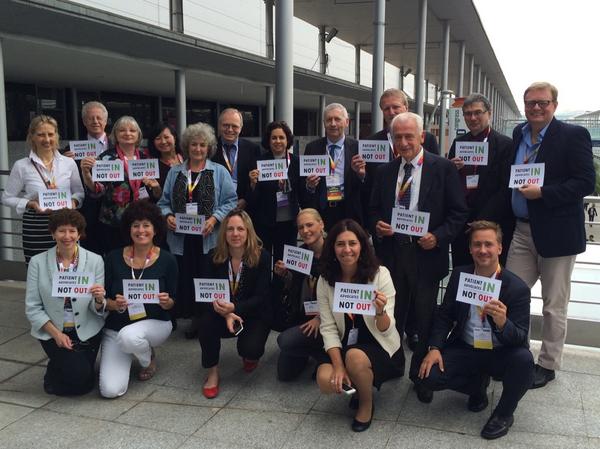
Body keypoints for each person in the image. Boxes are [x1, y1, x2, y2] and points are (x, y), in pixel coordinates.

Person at [369, 112, 468, 404]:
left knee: (425, 318)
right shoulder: (385, 171)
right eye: (397, 137)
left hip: (426, 255)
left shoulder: (443, 168)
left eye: (408, 136)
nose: (403, 142)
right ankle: (391, 364)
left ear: (421, 137)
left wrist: (438, 236)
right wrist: (377, 225)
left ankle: (421, 375)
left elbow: (459, 212)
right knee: (391, 315)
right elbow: (373, 208)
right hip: (393, 254)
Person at [506, 82, 595, 388]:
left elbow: (585, 182)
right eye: (531, 103)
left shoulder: (573, 135)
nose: (536, 108)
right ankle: (514, 353)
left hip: (557, 234)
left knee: (553, 304)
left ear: (554, 105)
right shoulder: (519, 133)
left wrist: (543, 193)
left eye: (542, 103)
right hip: (520, 229)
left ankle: (547, 364)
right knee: (509, 292)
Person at [419, 221, 534, 440]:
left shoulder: (517, 288)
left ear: (500, 248)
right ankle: (476, 387)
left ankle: (503, 414)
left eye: (488, 244)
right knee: (427, 377)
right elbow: (445, 315)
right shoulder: (460, 275)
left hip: (500, 350)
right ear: (470, 248)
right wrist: (434, 348)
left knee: (524, 361)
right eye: (477, 245)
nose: (483, 250)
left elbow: (520, 337)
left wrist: (502, 323)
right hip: (466, 345)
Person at [315, 219, 402, 432]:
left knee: (354, 357)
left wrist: (380, 311)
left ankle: (366, 402)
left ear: (362, 246)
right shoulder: (325, 280)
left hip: (379, 345)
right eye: (340, 244)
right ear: (332, 248)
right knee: (325, 378)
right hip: (346, 344)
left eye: (352, 243)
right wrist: (337, 366)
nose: (347, 250)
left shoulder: (380, 275)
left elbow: (387, 328)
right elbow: (327, 327)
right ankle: (357, 380)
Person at [158, 123, 237, 338]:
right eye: (194, 144)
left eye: (203, 145)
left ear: (208, 147)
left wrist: (214, 219)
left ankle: (205, 320)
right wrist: (168, 216)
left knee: (206, 276)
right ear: (186, 146)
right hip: (181, 238)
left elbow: (231, 201)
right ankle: (190, 316)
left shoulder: (219, 171)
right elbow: (163, 202)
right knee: (186, 276)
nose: (198, 149)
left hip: (208, 237)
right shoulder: (175, 172)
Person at [99, 200, 177, 398]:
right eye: (135, 225)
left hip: (155, 323)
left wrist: (168, 302)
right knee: (110, 390)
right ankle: (134, 349)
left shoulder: (167, 259)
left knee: (130, 337)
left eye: (146, 225)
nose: (141, 230)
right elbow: (103, 299)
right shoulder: (113, 258)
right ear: (128, 229)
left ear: (155, 229)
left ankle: (147, 357)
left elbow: (175, 301)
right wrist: (113, 304)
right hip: (117, 326)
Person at [25, 209, 106, 395]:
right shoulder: (37, 262)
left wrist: (100, 298)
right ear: (53, 233)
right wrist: (57, 335)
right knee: (80, 380)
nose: (67, 236)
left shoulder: (95, 260)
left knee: (85, 383)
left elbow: (97, 308)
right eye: (61, 231)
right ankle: (54, 373)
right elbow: (32, 307)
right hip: (55, 330)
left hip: (87, 329)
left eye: (72, 231)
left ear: (79, 233)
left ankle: (59, 366)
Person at [198, 209, 271, 399]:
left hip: (252, 314)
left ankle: (249, 355)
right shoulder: (212, 256)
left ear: (248, 231)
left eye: (240, 229)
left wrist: (236, 308)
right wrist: (227, 313)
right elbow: (205, 294)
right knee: (205, 322)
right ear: (224, 233)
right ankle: (213, 372)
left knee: (251, 349)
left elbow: (262, 298)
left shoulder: (262, 257)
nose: (235, 234)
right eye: (230, 229)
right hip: (221, 312)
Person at [2, 115, 84, 263]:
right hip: (36, 226)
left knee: (67, 269)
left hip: (65, 224)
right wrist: (30, 204)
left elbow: (79, 193)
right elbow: (6, 197)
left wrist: (73, 202)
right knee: (38, 270)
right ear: (32, 137)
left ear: (56, 135)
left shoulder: (68, 163)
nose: (47, 140)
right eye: (41, 135)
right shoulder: (22, 165)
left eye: (50, 134)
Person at [448, 93, 514, 267]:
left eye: (478, 112)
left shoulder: (505, 145)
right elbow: (450, 183)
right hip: (462, 222)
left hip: (491, 224)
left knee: (490, 272)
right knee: (462, 270)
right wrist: (451, 169)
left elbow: (505, 188)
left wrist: (481, 220)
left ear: (489, 113)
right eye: (468, 114)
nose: (473, 118)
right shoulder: (459, 142)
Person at [81, 116, 162, 254]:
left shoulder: (146, 158)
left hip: (141, 221)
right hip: (114, 223)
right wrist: (87, 175)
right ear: (115, 135)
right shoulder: (106, 158)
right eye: (122, 130)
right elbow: (97, 190)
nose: (128, 133)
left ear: (138, 135)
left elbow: (157, 196)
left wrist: (156, 188)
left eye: (132, 130)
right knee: (117, 259)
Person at [274, 208, 326, 381]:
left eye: (310, 225)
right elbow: (293, 287)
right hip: (304, 317)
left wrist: (321, 317)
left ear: (321, 224)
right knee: (285, 374)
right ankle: (314, 350)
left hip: (330, 321)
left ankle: (326, 356)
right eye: (300, 227)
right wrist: (285, 275)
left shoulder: (336, 253)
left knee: (287, 341)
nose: (305, 231)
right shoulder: (300, 253)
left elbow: (344, 292)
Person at [301, 103, 367, 230]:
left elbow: (368, 185)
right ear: (323, 123)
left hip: (349, 211)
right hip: (322, 211)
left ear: (347, 122)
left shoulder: (359, 148)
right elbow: (304, 183)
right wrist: (310, 186)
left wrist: (361, 174)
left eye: (337, 119)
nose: (333, 124)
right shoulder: (312, 147)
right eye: (328, 120)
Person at [248, 120, 302, 262]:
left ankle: (281, 285)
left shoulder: (297, 162)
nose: (278, 141)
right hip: (264, 223)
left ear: (288, 140)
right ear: (268, 140)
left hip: (289, 224)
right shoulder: (258, 162)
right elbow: (253, 200)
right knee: (262, 260)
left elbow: (303, 194)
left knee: (283, 263)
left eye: (281, 137)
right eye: (274, 138)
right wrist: (253, 185)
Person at [73, 101, 110, 254]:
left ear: (106, 121)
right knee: (89, 256)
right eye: (91, 118)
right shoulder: (71, 150)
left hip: (113, 210)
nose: (95, 121)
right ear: (84, 122)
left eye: (99, 118)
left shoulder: (119, 145)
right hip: (87, 213)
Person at [211, 108, 261, 210]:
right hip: (216, 209)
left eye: (234, 126)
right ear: (219, 126)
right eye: (226, 125)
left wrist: (245, 200)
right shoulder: (209, 148)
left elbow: (256, 180)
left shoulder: (252, 149)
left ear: (241, 128)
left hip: (245, 208)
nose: (230, 129)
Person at [367, 88, 439, 155]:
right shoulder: (372, 142)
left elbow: (435, 166)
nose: (391, 112)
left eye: (395, 107)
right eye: (386, 109)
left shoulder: (428, 139)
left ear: (406, 108)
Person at [146, 123, 183, 191]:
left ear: (174, 137)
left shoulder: (187, 157)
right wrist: (157, 189)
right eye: (158, 138)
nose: (163, 141)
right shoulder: (152, 166)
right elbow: (155, 197)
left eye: (166, 137)